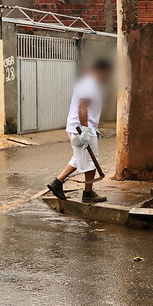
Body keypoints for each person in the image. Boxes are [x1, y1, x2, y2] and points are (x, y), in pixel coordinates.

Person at [47, 59, 112, 203]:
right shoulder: (90, 84)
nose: (107, 77)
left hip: (78, 127)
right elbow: (82, 108)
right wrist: (86, 131)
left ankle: (57, 183)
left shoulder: (87, 82)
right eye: (107, 73)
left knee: (78, 158)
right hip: (80, 128)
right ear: (101, 71)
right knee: (91, 161)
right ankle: (88, 193)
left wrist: (92, 128)